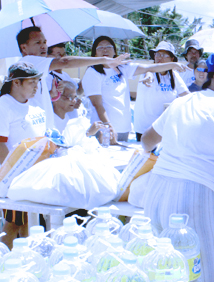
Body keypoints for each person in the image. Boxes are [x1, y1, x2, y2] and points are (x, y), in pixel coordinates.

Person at [141, 51, 214, 281]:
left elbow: (147, 141)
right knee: (202, 271)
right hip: (195, 197)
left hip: (156, 191)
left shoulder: (181, 102)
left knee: (161, 269)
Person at [15, 26, 129, 130]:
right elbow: (66, 62)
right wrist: (104, 60)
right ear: (24, 47)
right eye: (37, 42)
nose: (43, 46)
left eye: (44, 42)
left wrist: (51, 96)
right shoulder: (30, 61)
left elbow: (34, 99)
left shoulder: (36, 66)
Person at [82, 36, 187, 143]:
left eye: (109, 46)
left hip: (123, 128)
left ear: (114, 51)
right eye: (100, 47)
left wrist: (173, 65)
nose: (105, 50)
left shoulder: (122, 68)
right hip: (104, 130)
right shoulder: (93, 72)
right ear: (94, 53)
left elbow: (148, 68)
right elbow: (97, 104)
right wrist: (108, 128)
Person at [0, 62, 47, 248]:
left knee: (28, 220)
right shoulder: (4, 104)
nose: (36, 87)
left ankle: (23, 260)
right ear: (16, 83)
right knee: (13, 223)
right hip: (13, 176)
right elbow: (1, 143)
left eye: (37, 82)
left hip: (32, 173)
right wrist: (10, 174)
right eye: (31, 82)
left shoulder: (32, 106)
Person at [134, 41, 189, 142]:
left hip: (163, 128)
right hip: (145, 129)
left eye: (164, 55)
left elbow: (186, 95)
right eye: (157, 54)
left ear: (172, 59)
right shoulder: (147, 71)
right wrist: (148, 78)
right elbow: (148, 73)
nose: (159, 57)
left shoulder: (174, 75)